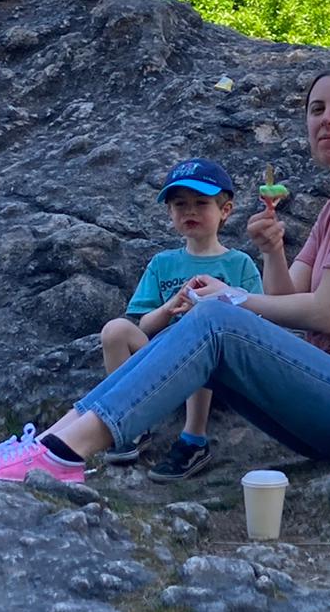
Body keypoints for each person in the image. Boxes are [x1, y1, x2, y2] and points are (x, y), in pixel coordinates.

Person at [0, 66, 330, 486]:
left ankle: (62, 455)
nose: (327, 119)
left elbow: (326, 312)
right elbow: (290, 303)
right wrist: (272, 251)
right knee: (209, 324)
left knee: (214, 318)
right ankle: (47, 443)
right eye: (316, 109)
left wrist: (231, 298)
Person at [96, 158, 263, 480]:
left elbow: (258, 319)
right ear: (170, 213)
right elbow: (141, 325)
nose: (190, 212)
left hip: (217, 364)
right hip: (161, 357)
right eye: (180, 204)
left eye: (201, 203)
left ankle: (194, 438)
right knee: (115, 330)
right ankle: (129, 422)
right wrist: (171, 305)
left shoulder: (239, 264)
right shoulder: (163, 263)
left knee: (197, 334)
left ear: (225, 210)